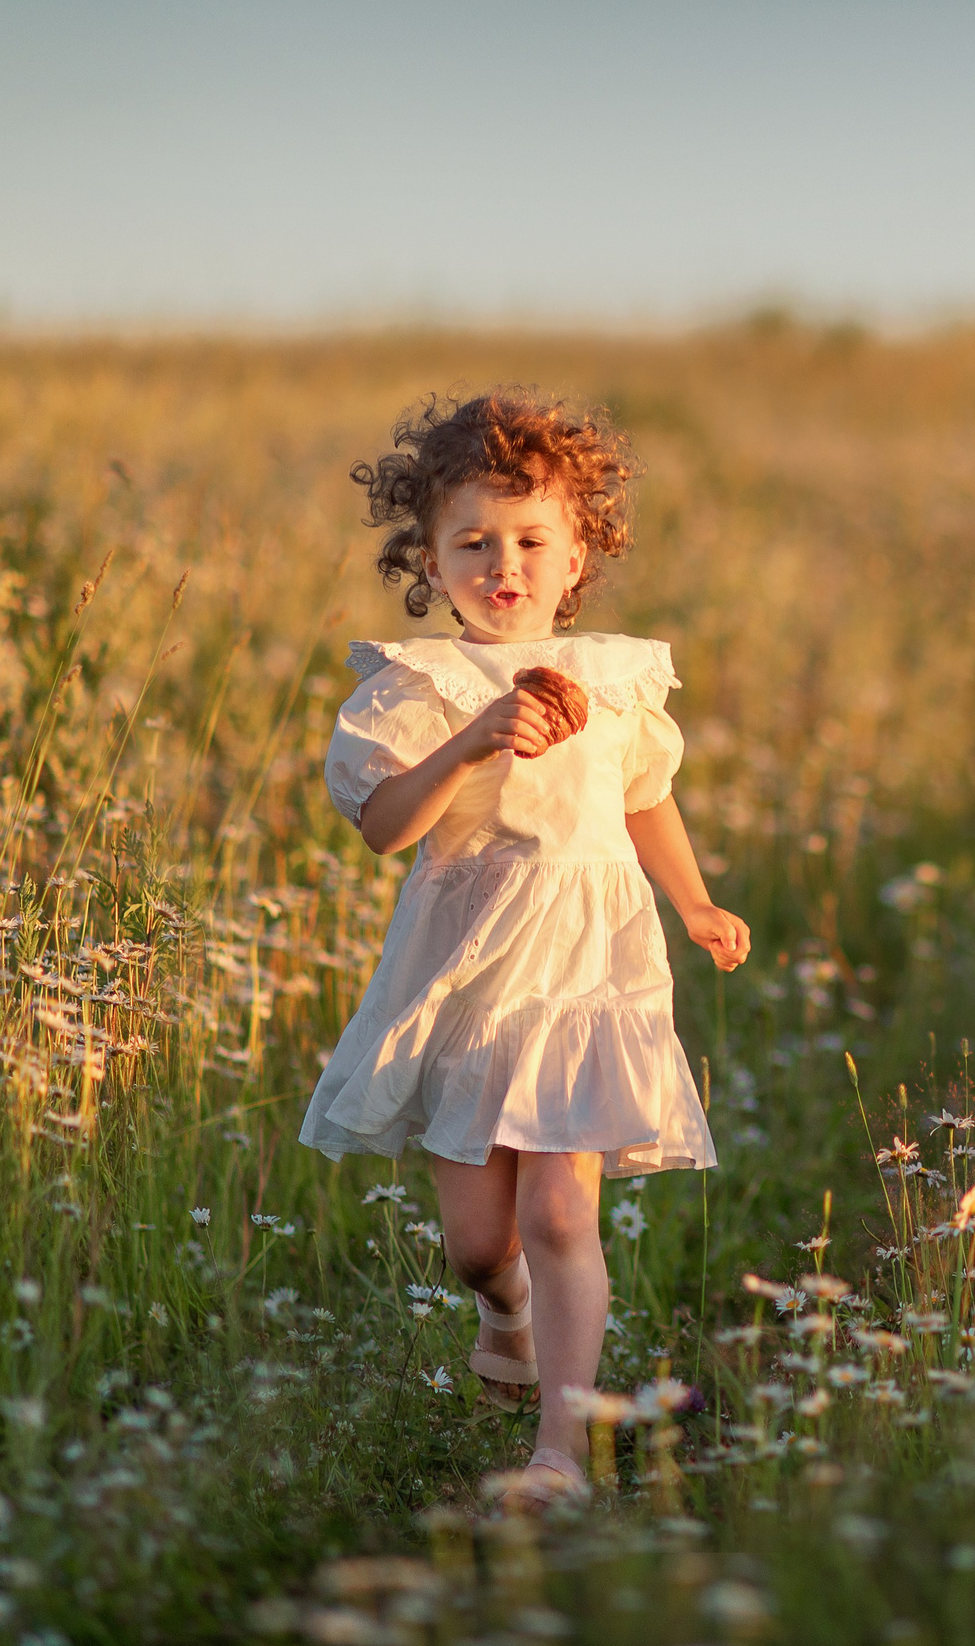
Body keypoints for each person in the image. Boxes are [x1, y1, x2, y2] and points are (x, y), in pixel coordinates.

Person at [300, 390, 750, 1511]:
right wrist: (472, 736)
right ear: (430, 558)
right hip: (468, 979)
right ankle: (504, 1316)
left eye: (532, 539)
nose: (505, 563)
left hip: (592, 968)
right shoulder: (414, 689)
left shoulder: (617, 676)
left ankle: (560, 1449)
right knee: (475, 1241)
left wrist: (693, 902)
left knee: (560, 1212)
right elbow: (386, 825)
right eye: (473, 543)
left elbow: (644, 799)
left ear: (576, 551)